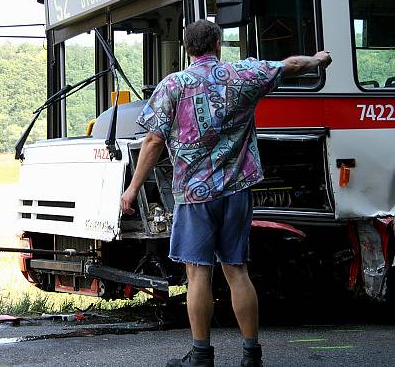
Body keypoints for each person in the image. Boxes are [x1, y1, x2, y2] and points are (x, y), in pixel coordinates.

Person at [120, 19, 332, 367]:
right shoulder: (244, 75)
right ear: (218, 43)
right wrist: (318, 59)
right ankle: (252, 353)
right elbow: (292, 65)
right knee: (237, 269)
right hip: (236, 191)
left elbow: (154, 140)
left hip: (194, 195)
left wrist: (131, 189)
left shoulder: (173, 85)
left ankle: (202, 355)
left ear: (187, 48)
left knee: (198, 273)